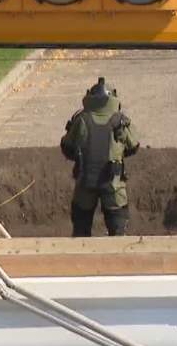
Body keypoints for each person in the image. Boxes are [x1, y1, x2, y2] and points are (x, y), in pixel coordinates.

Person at [60, 77, 140, 237]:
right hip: (114, 187)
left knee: (81, 233)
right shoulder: (120, 120)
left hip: (85, 184)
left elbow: (67, 147)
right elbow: (134, 146)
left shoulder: (81, 119)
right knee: (118, 234)